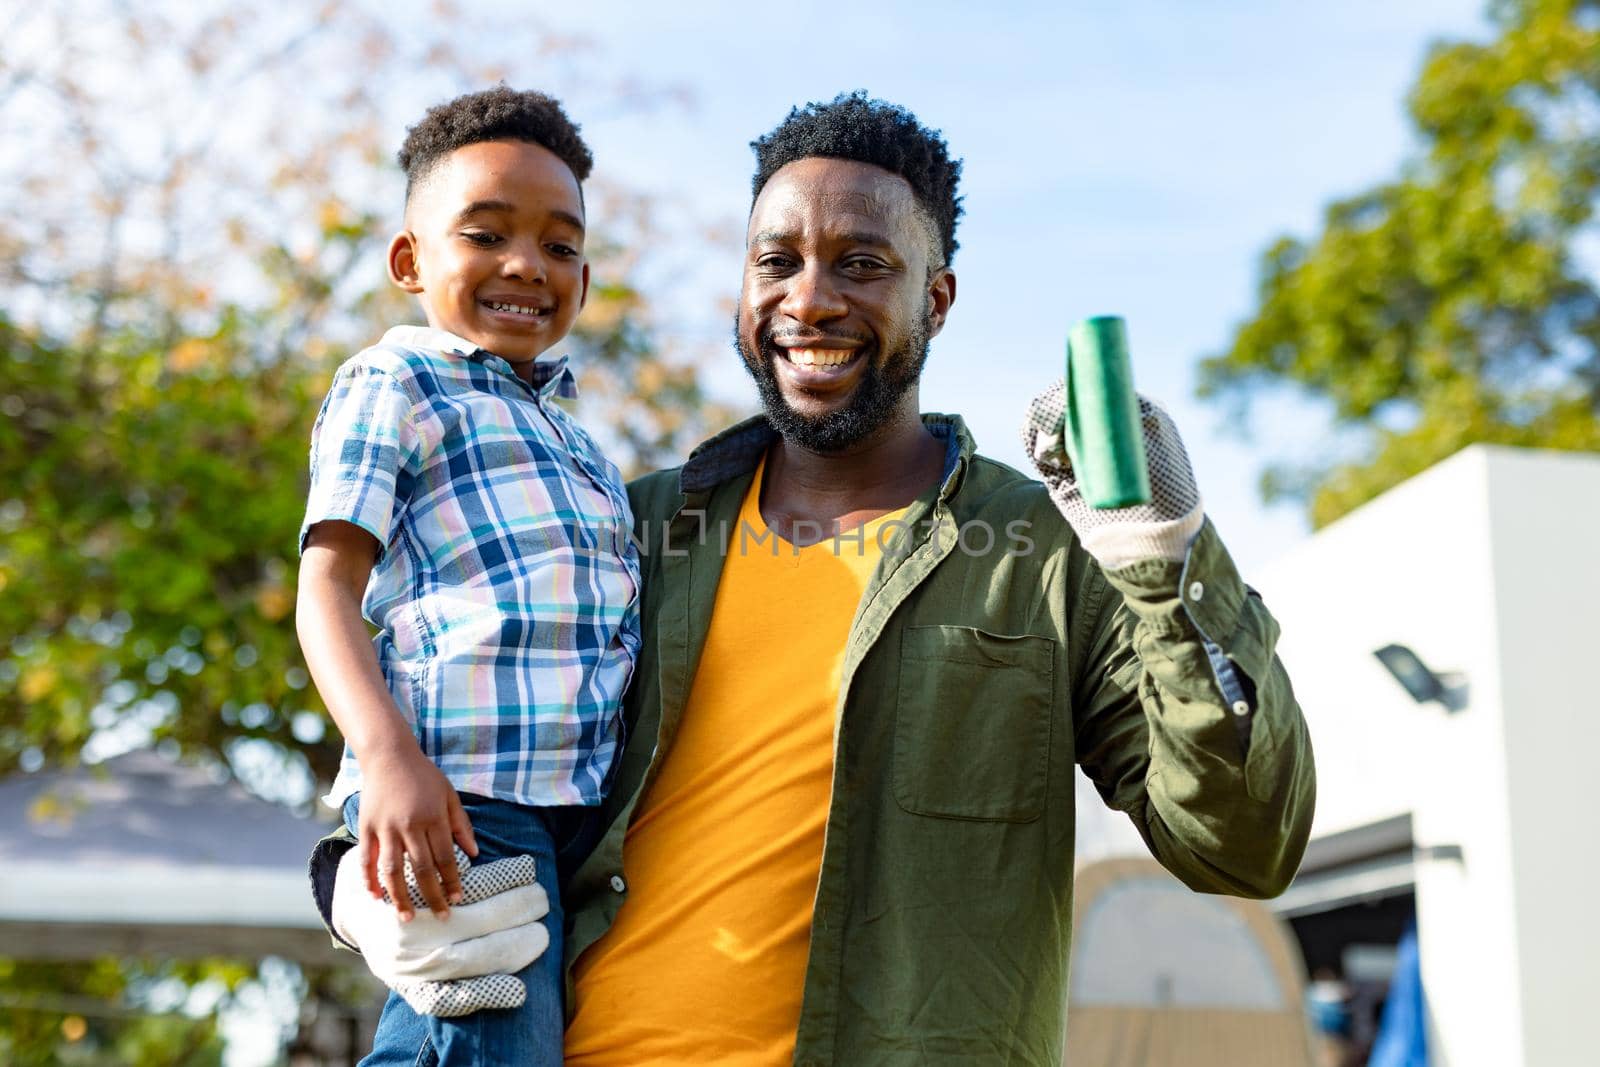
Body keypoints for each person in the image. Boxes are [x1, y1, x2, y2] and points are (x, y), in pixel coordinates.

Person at [310, 91, 1316, 1066]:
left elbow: (1240, 843)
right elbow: (462, 744)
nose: (811, 297)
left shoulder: (1040, 549)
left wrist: (1167, 562)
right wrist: (348, 890)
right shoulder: (637, 523)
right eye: (776, 261)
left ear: (936, 296)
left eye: (862, 263)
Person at [295, 86, 639, 1067]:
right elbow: (325, 587)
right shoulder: (396, 381)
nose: (527, 264)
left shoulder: (577, 441)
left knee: (485, 1036)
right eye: (486, 234)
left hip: (569, 811)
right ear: (410, 260)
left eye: (561, 245)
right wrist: (389, 756)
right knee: (478, 1039)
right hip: (457, 793)